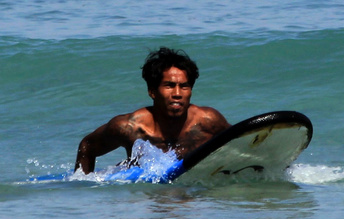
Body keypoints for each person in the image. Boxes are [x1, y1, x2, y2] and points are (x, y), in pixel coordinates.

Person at [73, 48, 230, 174]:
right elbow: (87, 146)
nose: (177, 93)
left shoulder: (208, 121)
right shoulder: (129, 128)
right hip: (146, 201)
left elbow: (242, 144)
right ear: (152, 91)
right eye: (169, 85)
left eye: (184, 86)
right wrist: (83, 189)